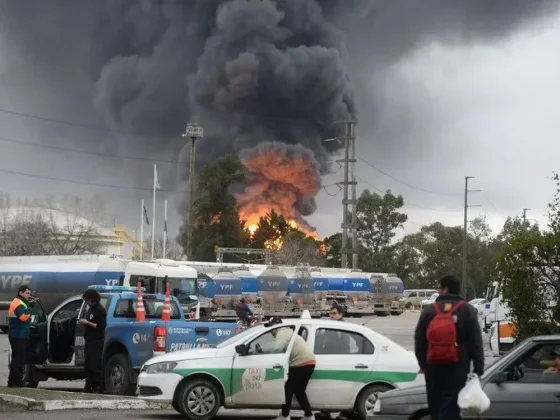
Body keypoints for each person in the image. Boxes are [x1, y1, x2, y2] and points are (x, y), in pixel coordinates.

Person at [414, 275, 484, 420]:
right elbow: (476, 342)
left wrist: (424, 364)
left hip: (433, 366)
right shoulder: (467, 310)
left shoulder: (429, 311)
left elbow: (419, 340)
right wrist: (478, 368)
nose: (438, 291)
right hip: (458, 366)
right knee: (453, 404)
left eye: (439, 288)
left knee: (436, 404)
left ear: (445, 289)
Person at [266, 317, 315, 420]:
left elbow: (277, 348)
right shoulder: (289, 332)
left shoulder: (282, 332)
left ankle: (285, 416)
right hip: (309, 363)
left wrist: (264, 351)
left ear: (276, 326)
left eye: (270, 327)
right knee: (299, 391)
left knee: (287, 390)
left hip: (300, 364)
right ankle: (309, 415)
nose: (269, 331)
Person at [79, 289, 107, 393]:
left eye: (87, 299)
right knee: (88, 365)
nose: (86, 302)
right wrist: (84, 322)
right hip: (89, 341)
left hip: (96, 341)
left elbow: (101, 326)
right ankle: (88, 386)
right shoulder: (90, 309)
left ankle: (98, 386)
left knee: (96, 365)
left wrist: (88, 323)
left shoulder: (100, 310)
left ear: (92, 299)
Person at [7, 285, 32, 387]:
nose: (29, 295)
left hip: (17, 334)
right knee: (19, 360)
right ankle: (17, 382)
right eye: (27, 293)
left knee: (15, 359)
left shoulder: (20, 302)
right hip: (19, 335)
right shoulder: (18, 302)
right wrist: (30, 308)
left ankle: (12, 382)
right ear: (21, 293)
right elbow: (23, 317)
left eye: (29, 293)